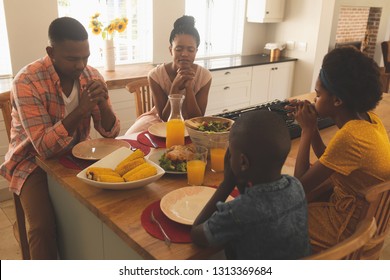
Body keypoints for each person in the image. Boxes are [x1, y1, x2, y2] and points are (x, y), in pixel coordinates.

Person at [0, 17, 120, 259]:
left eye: (85, 56)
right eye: (73, 58)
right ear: (51, 52)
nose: (81, 65)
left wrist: (104, 106)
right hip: (31, 163)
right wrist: (82, 110)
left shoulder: (91, 75)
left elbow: (110, 132)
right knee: (42, 228)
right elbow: (44, 148)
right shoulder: (27, 82)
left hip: (80, 156)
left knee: (111, 209)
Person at [288, 46, 390, 252]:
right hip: (368, 219)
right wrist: (313, 126)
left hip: (347, 228)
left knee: (274, 220)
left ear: (337, 100)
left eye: (317, 95)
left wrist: (307, 130)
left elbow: (299, 188)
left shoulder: (351, 136)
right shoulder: (370, 121)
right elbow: (332, 158)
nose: (315, 100)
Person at [191, 110, 311, 260]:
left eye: (231, 153)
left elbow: (197, 234)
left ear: (242, 162)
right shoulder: (295, 186)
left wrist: (227, 184)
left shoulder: (237, 212)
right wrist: (241, 178)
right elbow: (259, 205)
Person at [125, 15, 212, 134]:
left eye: (190, 50)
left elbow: (197, 119)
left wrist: (189, 88)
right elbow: (165, 118)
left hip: (190, 125)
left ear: (196, 51)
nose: (185, 54)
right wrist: (175, 86)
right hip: (158, 121)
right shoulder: (155, 75)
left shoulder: (205, 77)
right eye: (179, 49)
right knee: (131, 137)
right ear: (171, 50)